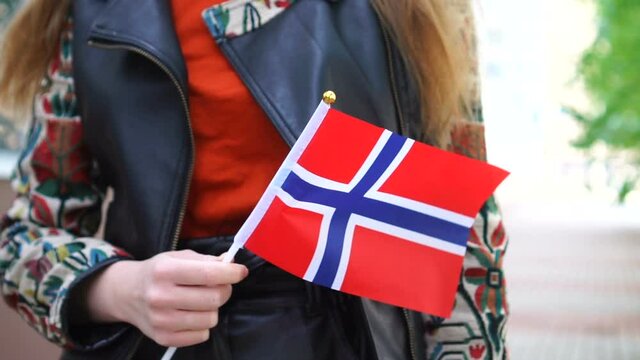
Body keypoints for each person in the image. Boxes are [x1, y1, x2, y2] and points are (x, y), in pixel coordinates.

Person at [0, 0, 509, 359]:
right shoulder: (87, 12)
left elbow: (461, 232)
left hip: (352, 338)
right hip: (155, 344)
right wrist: (121, 288)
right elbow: (23, 241)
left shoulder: (412, 9)